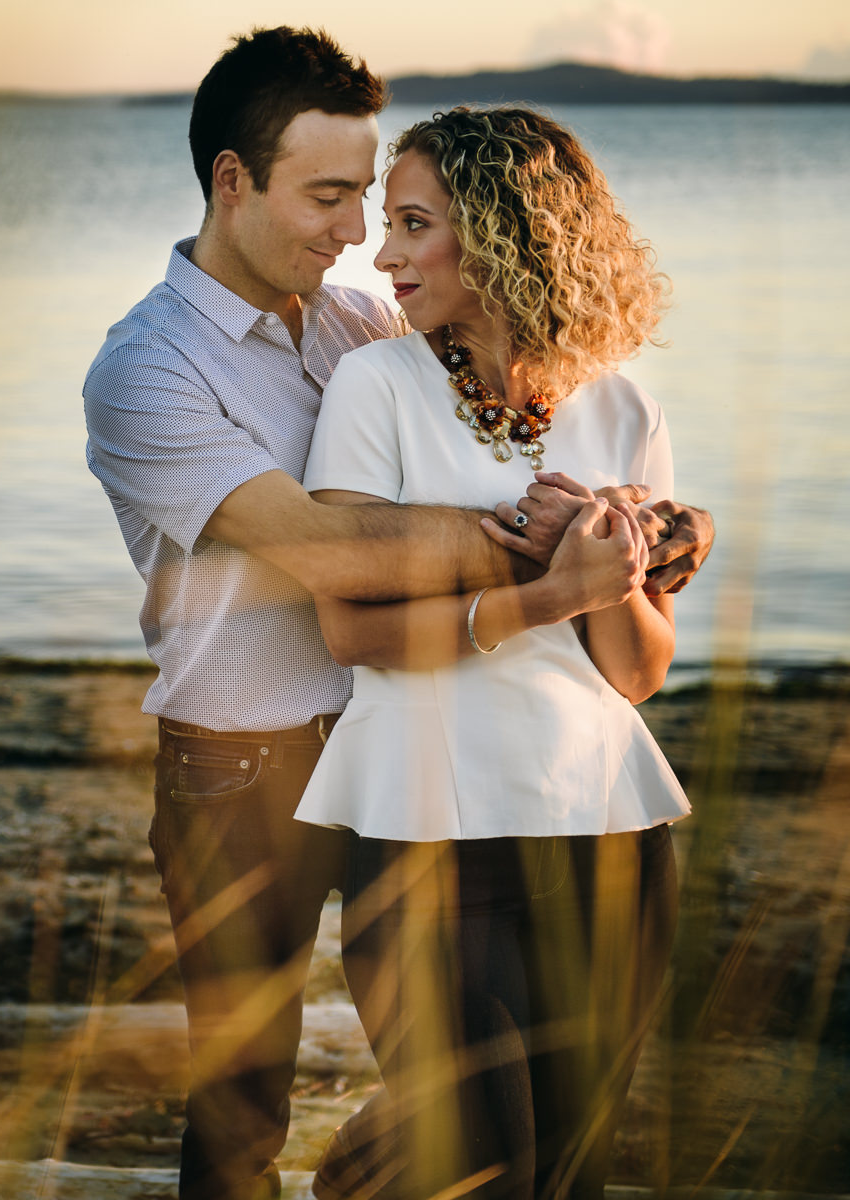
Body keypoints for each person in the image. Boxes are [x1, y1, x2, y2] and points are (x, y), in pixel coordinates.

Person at [82, 28, 714, 1200]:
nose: (355, 237)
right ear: (233, 181)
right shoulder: (148, 370)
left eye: (370, 201)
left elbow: (500, 405)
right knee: (241, 1093)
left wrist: (661, 531)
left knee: (472, 1103)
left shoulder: (359, 325)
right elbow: (331, 548)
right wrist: (564, 547)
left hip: (405, 746)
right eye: (327, 198)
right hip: (247, 761)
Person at [297, 106, 692, 1200]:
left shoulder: (623, 410)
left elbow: (639, 670)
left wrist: (595, 565)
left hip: (608, 837)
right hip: (427, 836)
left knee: (572, 1168)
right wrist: (544, 593)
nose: (383, 254)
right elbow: (350, 631)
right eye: (386, 223)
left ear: (505, 235)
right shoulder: (376, 388)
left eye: (413, 223)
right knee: (482, 1165)